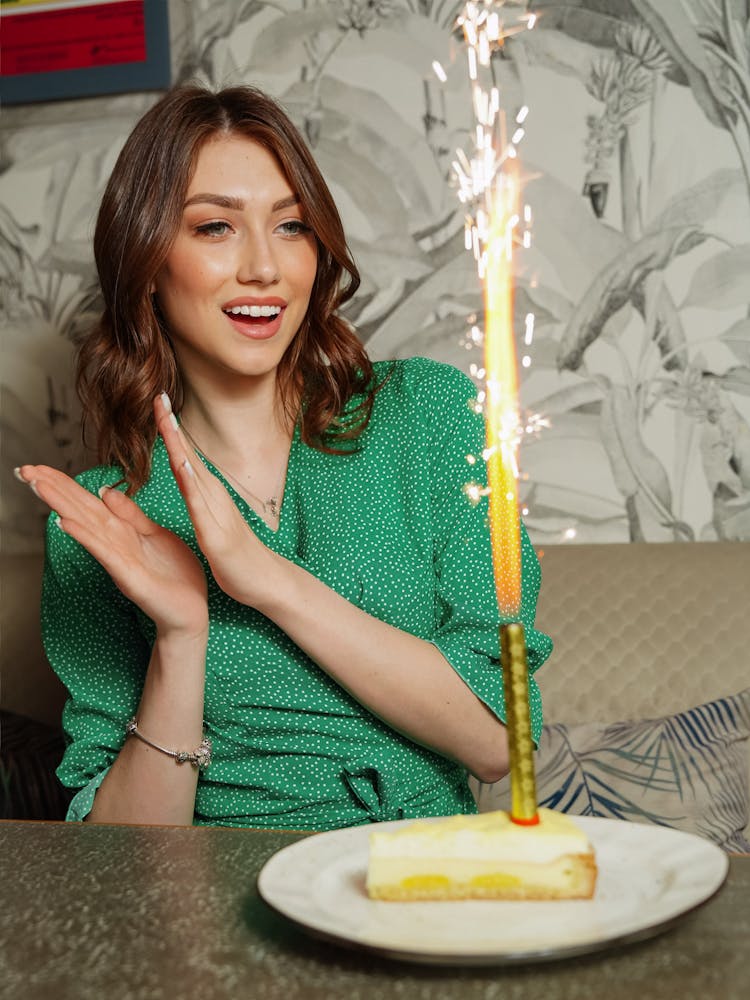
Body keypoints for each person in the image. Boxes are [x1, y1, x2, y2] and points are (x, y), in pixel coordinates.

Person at [15, 85, 552, 831]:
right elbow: (121, 855)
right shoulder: (108, 517)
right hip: (227, 902)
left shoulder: (426, 416)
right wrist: (181, 635)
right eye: (215, 228)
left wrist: (267, 581)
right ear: (146, 262)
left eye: (291, 225)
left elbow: (501, 744)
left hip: (427, 879)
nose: (264, 267)